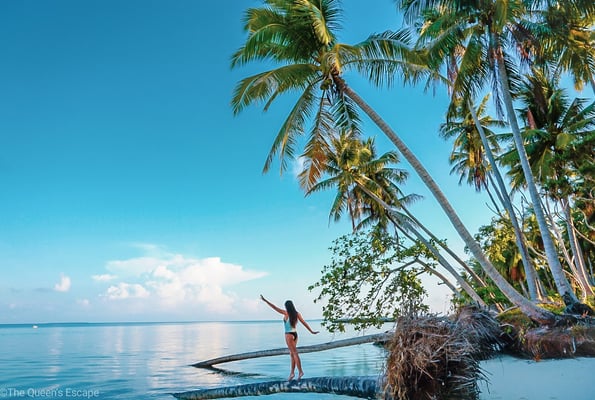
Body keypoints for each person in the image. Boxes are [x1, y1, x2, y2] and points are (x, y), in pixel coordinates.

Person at [260, 294, 319, 381]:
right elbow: (304, 323)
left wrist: (265, 301)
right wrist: (311, 331)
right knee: (292, 354)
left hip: (288, 335)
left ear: (286, 307)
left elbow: (274, 307)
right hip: (295, 334)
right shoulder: (297, 314)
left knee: (294, 353)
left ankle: (300, 372)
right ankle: (292, 373)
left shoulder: (286, 313)